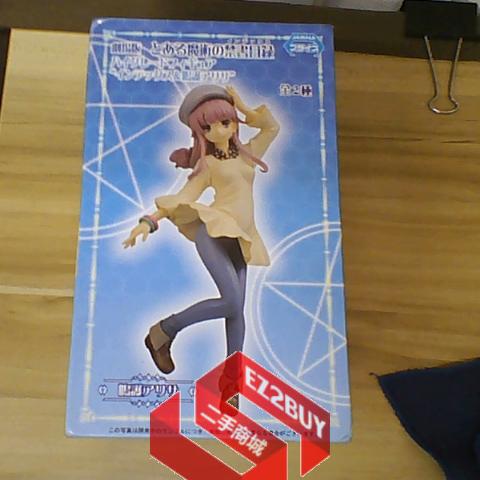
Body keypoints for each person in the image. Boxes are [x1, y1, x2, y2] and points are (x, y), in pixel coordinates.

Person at [122, 84, 280, 392]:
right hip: (214, 233)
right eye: (207, 127)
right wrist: (149, 221)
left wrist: (244, 107)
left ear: (234, 122)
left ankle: (231, 385)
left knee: (236, 311)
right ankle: (163, 330)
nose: (218, 130)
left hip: (241, 238)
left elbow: (272, 127)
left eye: (225, 121)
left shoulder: (248, 155)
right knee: (231, 302)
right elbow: (184, 196)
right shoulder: (208, 165)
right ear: (200, 133)